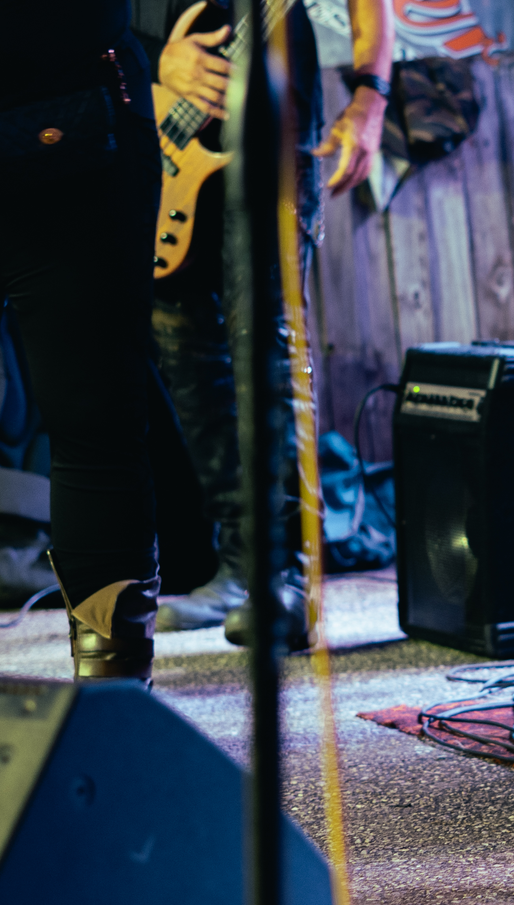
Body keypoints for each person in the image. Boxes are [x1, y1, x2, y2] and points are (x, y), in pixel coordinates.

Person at [132, 0, 393, 646]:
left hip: (272, 132)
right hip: (164, 129)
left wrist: (369, 100)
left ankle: (290, 575)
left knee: (267, 351)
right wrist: (155, 62)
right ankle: (239, 566)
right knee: (188, 363)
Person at [0, 5, 173, 682]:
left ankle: (113, 690)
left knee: (94, 411)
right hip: (73, 106)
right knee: (95, 418)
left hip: (75, 114)